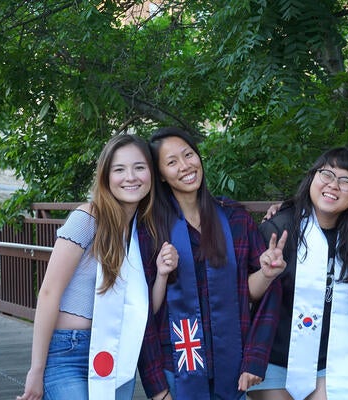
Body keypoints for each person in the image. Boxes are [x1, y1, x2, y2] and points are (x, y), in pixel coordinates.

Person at [137, 127, 287, 400]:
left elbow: (257, 292)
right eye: (172, 162)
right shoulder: (150, 230)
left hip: (232, 369)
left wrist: (266, 275)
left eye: (189, 154)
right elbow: (141, 311)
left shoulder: (235, 219)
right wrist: (157, 389)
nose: (185, 166)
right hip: (175, 370)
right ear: (160, 174)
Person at [17, 134, 169, 400]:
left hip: (116, 353)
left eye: (139, 167)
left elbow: (145, 310)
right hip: (69, 351)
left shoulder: (144, 232)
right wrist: (36, 370)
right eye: (119, 169)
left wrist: (162, 274)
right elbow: (49, 292)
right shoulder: (87, 218)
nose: (130, 177)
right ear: (106, 177)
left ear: (152, 174)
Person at [247, 148, 348, 400]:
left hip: (329, 363)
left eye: (346, 180)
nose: (334, 185)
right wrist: (267, 274)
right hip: (274, 361)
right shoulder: (279, 228)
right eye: (327, 174)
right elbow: (246, 293)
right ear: (312, 177)